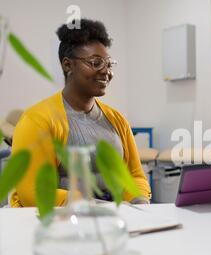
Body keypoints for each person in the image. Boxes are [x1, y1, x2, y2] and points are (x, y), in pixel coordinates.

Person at [10, 19, 150, 207]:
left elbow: (135, 176)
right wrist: (93, 208)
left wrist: (139, 203)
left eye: (109, 64)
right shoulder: (36, 120)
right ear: (68, 65)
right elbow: (33, 192)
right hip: (52, 223)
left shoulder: (118, 120)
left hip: (108, 221)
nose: (106, 72)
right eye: (96, 63)